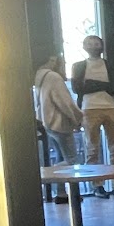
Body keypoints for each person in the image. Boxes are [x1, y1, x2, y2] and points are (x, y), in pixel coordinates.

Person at [71, 34, 114, 197]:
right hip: (89, 109)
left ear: (102, 46)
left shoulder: (110, 65)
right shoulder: (79, 66)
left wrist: (92, 84)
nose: (94, 46)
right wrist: (104, 86)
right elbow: (78, 88)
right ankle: (97, 185)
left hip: (111, 107)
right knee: (92, 149)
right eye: (90, 44)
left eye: (96, 43)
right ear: (84, 47)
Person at [33, 56, 84, 203]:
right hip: (59, 122)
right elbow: (64, 102)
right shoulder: (53, 77)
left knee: (61, 157)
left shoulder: (39, 76)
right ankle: (55, 176)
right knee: (72, 160)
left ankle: (61, 193)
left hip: (47, 122)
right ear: (51, 60)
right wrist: (77, 118)